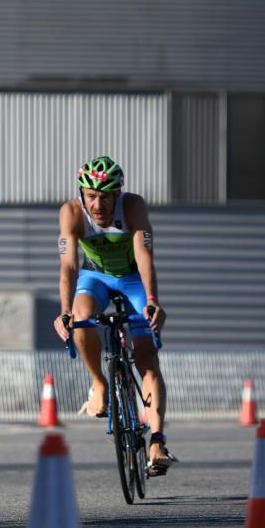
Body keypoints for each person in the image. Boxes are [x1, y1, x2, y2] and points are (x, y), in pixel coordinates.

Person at [52, 155, 174, 475]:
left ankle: (158, 441)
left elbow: (144, 255)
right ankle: (100, 384)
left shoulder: (133, 207)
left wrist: (151, 301)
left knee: (146, 358)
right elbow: (68, 266)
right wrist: (64, 311)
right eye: (91, 196)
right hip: (97, 278)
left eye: (106, 196)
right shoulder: (72, 213)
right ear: (81, 194)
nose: (98, 204)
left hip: (132, 278)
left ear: (118, 194)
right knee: (80, 318)